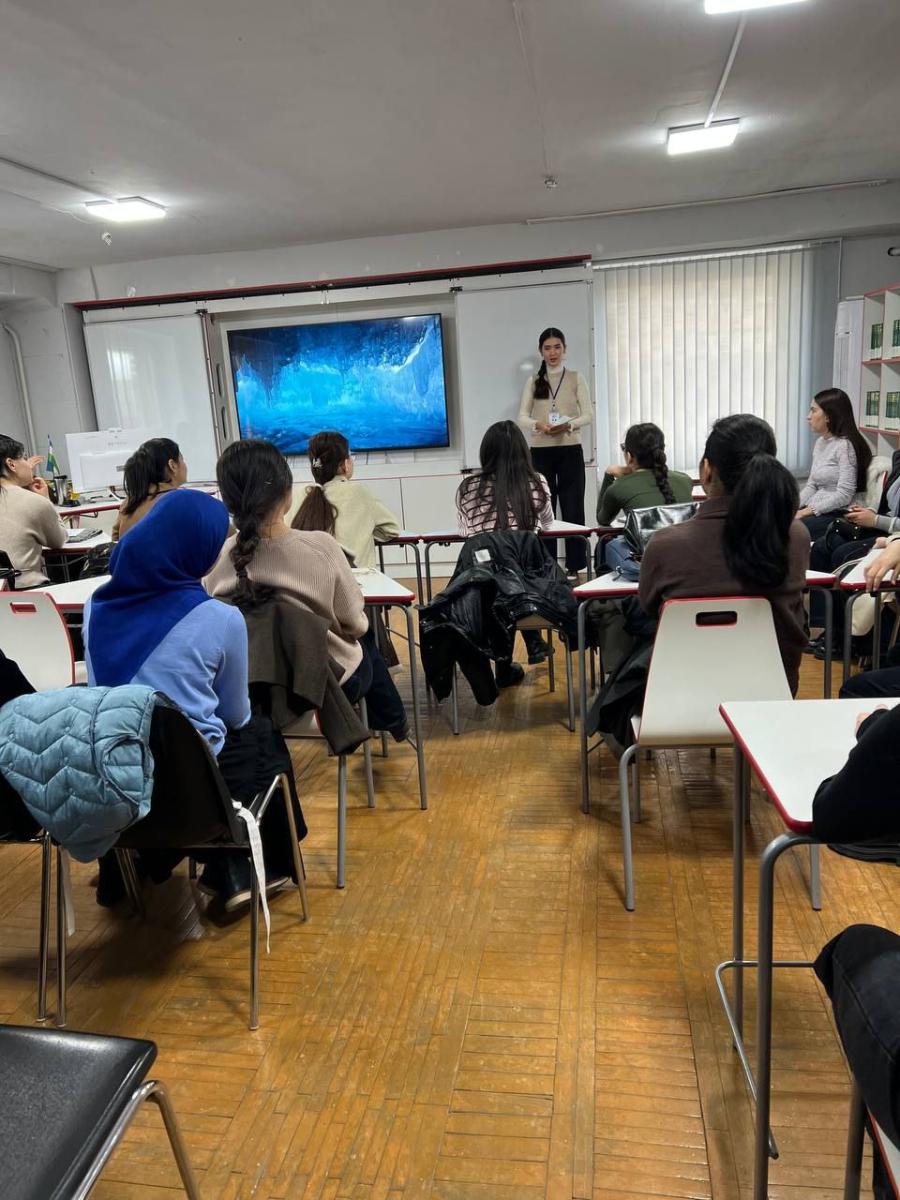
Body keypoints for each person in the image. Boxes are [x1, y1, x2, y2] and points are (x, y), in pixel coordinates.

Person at [83, 488, 306, 910]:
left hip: (113, 775)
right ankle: (247, 867)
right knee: (261, 736)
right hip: (191, 794)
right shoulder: (221, 618)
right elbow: (235, 715)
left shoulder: (96, 606)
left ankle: (129, 868)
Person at [207, 439, 408, 740]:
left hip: (252, 689)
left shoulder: (216, 560)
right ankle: (394, 721)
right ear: (285, 492)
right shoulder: (321, 548)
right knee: (365, 637)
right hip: (321, 689)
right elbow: (354, 623)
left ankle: (393, 720)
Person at [640, 413, 810, 694]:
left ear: (707, 470)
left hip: (678, 699)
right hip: (772, 697)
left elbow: (648, 607)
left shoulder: (664, 545)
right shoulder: (796, 536)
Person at [456, 420, 556, 673]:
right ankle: (531, 639)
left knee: (497, 567)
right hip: (528, 584)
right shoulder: (536, 481)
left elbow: (466, 533)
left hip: (482, 586)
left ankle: (503, 665)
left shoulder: (469, 486)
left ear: (486, 452)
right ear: (524, 451)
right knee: (510, 567)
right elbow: (548, 524)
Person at [805, 447, 900, 658]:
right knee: (822, 547)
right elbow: (888, 508)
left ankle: (849, 637)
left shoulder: (845, 447)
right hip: (885, 529)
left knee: (843, 554)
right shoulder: (898, 460)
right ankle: (828, 628)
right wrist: (870, 513)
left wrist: (876, 520)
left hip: (892, 537)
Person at [518, 327, 592, 580]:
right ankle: (547, 567)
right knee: (543, 510)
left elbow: (588, 415)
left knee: (573, 507)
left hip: (570, 449)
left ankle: (575, 566)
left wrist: (569, 425)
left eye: (557, 347)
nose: (553, 352)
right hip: (540, 451)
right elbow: (522, 417)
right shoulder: (534, 381)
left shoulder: (575, 377)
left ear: (565, 349)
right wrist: (537, 425)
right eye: (548, 348)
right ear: (541, 351)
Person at [291, 431, 400, 569]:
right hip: (354, 580)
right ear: (345, 464)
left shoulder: (297, 493)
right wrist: (363, 533)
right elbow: (391, 529)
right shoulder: (358, 492)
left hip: (305, 580)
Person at [796, 388, 871, 540]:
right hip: (820, 507)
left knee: (790, 529)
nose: (808, 416)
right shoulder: (820, 442)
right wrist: (793, 506)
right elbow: (812, 485)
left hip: (840, 512)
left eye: (813, 411)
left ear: (829, 416)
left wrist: (804, 512)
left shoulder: (845, 446)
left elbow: (844, 494)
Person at [0, 435, 67, 587]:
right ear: (11, 464)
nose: (29, 465)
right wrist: (45, 499)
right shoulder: (34, 502)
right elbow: (59, 541)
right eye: (24, 458)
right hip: (26, 592)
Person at [596, 423, 693, 526]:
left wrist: (609, 473)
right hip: (686, 537)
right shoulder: (685, 480)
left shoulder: (618, 487)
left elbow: (603, 520)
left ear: (629, 456)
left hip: (645, 538)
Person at [112, 437, 188, 541]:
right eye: (182, 459)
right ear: (172, 465)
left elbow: (116, 542)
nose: (185, 465)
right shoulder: (182, 501)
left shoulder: (129, 502)